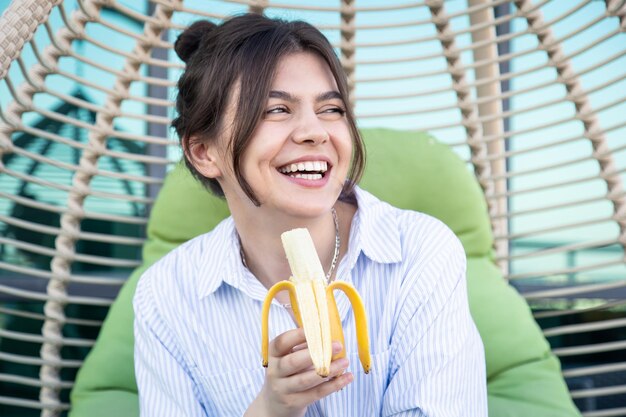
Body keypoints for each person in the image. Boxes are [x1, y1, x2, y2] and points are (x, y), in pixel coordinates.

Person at [133, 13, 488, 417]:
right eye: (276, 110)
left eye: (331, 109)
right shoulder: (165, 297)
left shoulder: (421, 255)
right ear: (203, 152)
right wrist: (270, 409)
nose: (315, 131)